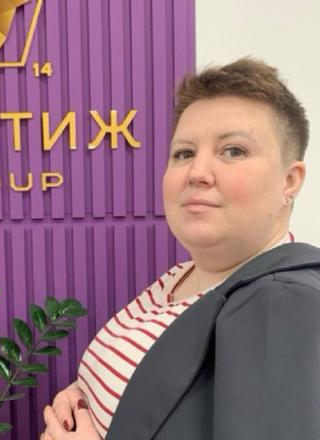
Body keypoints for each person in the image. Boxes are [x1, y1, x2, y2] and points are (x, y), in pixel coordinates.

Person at [41, 58, 320, 439]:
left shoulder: (282, 303)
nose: (197, 172)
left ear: (290, 180)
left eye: (233, 151)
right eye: (184, 153)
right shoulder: (184, 276)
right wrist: (78, 397)